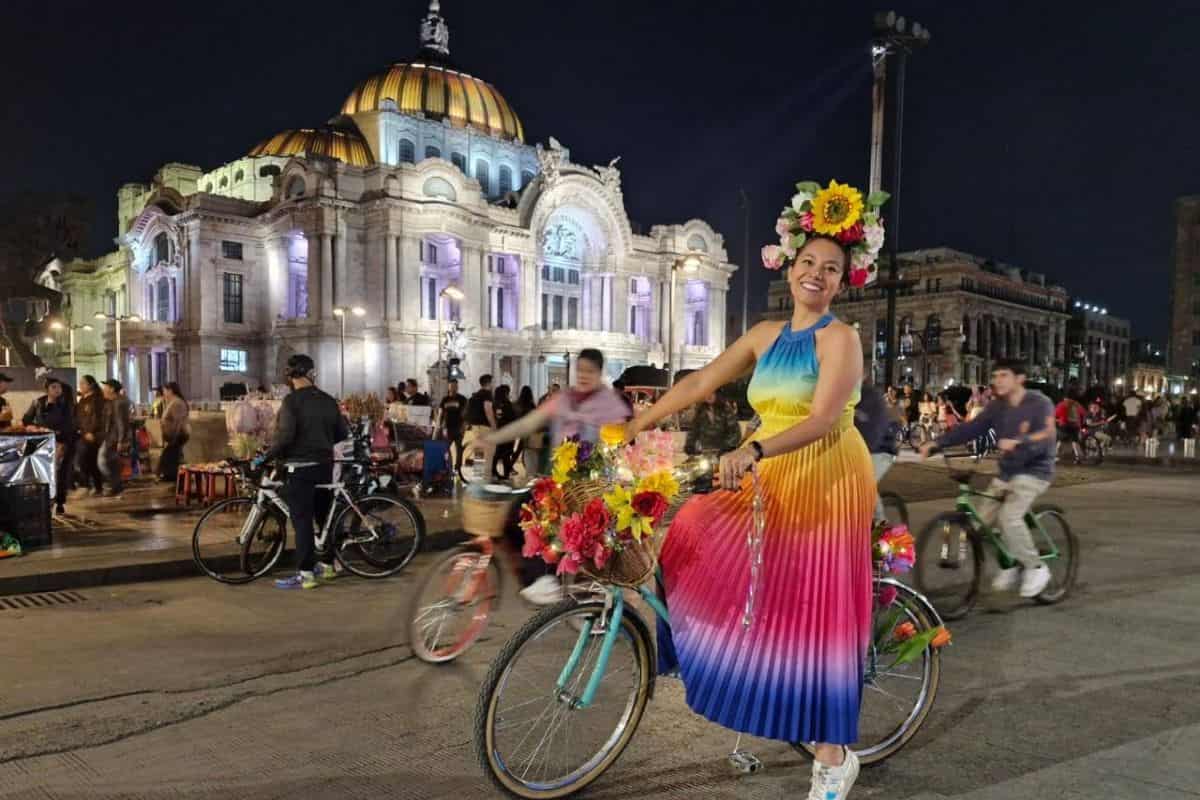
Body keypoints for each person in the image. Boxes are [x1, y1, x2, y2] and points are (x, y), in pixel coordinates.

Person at [624, 216, 878, 799]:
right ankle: (743, 673)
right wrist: (636, 422)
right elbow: (697, 383)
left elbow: (819, 420)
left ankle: (835, 758)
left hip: (827, 467)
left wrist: (754, 447)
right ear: (790, 269)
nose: (817, 274)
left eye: (831, 269)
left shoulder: (840, 339)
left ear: (842, 282)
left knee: (815, 605)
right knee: (689, 527)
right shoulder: (764, 334)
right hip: (770, 463)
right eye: (808, 263)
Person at [482, 349, 631, 605]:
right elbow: (529, 423)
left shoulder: (610, 404)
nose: (584, 376)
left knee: (547, 527)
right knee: (513, 518)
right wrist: (492, 438)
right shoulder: (564, 399)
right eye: (580, 370)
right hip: (554, 480)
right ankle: (540, 580)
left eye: (590, 371)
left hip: (587, 485)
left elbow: (621, 441)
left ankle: (548, 579)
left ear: (599, 373)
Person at [921, 358, 1057, 598]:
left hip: (1035, 471)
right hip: (1007, 472)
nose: (997, 381)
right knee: (980, 525)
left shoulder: (1039, 403)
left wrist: (1019, 442)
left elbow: (1046, 435)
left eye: (1003, 375)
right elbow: (973, 428)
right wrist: (937, 443)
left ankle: (1036, 567)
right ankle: (1010, 563)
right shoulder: (997, 406)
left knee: (1009, 517)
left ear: (1019, 378)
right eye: (995, 376)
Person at [256, 354, 349, 591]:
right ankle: (328, 566)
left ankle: (306, 574)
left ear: (291, 376)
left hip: (300, 469)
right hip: (325, 467)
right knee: (323, 518)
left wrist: (264, 458)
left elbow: (285, 437)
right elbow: (341, 433)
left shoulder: (292, 402)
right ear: (311, 373)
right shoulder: (329, 400)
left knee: (302, 521)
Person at [23, 378, 76, 515]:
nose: (57, 390)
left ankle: (59, 502)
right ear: (47, 389)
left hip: (61, 443)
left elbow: (69, 424)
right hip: (42, 443)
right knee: (42, 473)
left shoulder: (66, 404)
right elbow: (27, 419)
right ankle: (43, 502)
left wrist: (60, 437)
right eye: (53, 387)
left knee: (59, 474)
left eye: (59, 387)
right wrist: (33, 427)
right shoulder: (38, 402)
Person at [855, 381, 899, 521]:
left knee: (864, 483)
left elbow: (875, 430)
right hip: (857, 450)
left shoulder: (871, 396)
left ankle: (880, 524)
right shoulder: (841, 394)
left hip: (880, 450)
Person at [98, 379, 132, 496]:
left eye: (105, 387)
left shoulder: (119, 403)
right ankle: (115, 485)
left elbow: (121, 422)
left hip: (114, 438)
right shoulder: (111, 402)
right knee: (112, 462)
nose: (103, 389)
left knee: (102, 460)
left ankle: (114, 483)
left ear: (112, 389)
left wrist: (121, 440)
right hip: (110, 437)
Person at [74, 375, 106, 495]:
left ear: (91, 385)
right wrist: (81, 431)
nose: (80, 386)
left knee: (84, 459)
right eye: (80, 384)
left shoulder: (97, 400)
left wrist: (91, 432)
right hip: (83, 434)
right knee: (90, 461)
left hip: (93, 435)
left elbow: (97, 419)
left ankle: (86, 485)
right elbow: (79, 418)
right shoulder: (82, 400)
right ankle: (96, 486)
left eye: (83, 383)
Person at [157, 382, 189, 482]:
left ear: (170, 390)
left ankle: (173, 476)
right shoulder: (172, 402)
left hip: (178, 435)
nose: (164, 393)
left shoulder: (177, 403)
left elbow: (177, 421)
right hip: (173, 435)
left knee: (168, 456)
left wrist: (174, 437)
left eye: (165, 391)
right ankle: (173, 476)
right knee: (173, 456)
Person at [437, 379, 468, 473]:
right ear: (448, 387)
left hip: (459, 428)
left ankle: (457, 468)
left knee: (459, 449)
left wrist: (464, 426)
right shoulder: (444, 399)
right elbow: (440, 414)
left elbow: (466, 414)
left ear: (457, 387)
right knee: (445, 448)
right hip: (447, 429)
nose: (453, 388)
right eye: (451, 386)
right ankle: (446, 466)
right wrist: (439, 426)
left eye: (455, 386)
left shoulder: (462, 399)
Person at [513, 385, 544, 477]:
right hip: (529, 432)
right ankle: (528, 469)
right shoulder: (531, 405)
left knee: (521, 449)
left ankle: (511, 465)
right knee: (526, 450)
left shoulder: (517, 404)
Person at [491, 385, 517, 479]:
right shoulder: (507, 403)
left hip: (498, 431)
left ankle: (495, 471)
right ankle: (505, 474)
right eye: (507, 392)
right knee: (506, 453)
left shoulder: (494, 403)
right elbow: (512, 417)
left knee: (499, 452)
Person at [1055, 392, 1086, 463]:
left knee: (1060, 440)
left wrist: (1057, 420)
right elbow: (1083, 413)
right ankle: (1078, 458)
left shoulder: (1062, 404)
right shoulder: (1077, 404)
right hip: (1075, 426)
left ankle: (1055, 456)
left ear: (1065, 398)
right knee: (1074, 441)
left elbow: (1056, 414)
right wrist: (1081, 423)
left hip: (1064, 425)